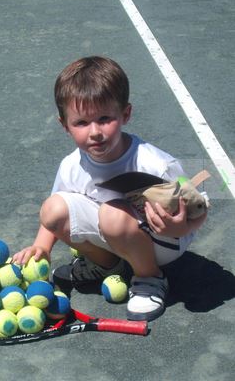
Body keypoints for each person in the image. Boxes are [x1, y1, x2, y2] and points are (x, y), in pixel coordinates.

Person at [12, 56, 207, 321]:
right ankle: (107, 265)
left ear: (125, 114)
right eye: (81, 122)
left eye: (105, 118)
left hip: (163, 242)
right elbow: (52, 220)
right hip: (116, 234)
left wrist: (180, 228)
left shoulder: (157, 163)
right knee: (54, 208)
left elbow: (200, 208)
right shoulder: (70, 165)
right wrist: (42, 247)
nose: (95, 132)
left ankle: (150, 277)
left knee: (112, 214)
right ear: (64, 125)